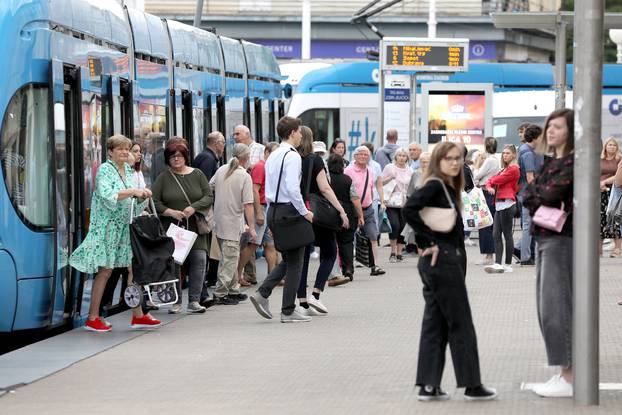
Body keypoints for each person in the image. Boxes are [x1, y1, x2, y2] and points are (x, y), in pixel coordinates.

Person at [402, 141, 497, 402]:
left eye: (458, 158)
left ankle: (428, 385)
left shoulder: (445, 186)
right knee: (460, 322)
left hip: (441, 262)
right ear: (439, 161)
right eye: (449, 158)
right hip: (442, 261)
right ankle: (472, 384)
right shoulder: (435, 184)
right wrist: (429, 241)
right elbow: (410, 209)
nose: (455, 163)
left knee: (435, 322)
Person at [69, 135, 160, 332]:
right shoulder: (104, 170)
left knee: (131, 269)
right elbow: (108, 195)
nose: (125, 152)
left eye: (126, 149)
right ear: (110, 151)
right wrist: (133, 191)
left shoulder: (127, 170)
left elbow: (131, 206)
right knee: (105, 271)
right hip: (106, 228)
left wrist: (143, 196)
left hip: (123, 228)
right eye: (120, 149)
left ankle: (138, 315)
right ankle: (93, 317)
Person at [523, 108, 574, 398]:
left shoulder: (572, 162)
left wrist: (537, 194)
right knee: (546, 309)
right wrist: (537, 194)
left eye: (557, 127)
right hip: (544, 236)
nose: (550, 131)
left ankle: (569, 376)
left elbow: (545, 195)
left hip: (561, 238)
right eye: (548, 126)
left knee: (556, 308)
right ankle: (563, 372)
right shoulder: (551, 163)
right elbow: (529, 195)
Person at [250, 116, 314, 323]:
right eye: (299, 131)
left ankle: (263, 293)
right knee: (296, 262)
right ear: (293, 132)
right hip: (290, 211)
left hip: (274, 211)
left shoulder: (274, 154)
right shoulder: (292, 156)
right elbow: (292, 188)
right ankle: (287, 310)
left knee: (288, 259)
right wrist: (305, 212)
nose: (301, 135)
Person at [152, 141, 213, 314]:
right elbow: (154, 201)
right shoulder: (164, 178)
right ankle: (176, 301)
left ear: (185, 157)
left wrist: (194, 207)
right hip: (173, 229)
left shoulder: (198, 174)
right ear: (167, 160)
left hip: (196, 228)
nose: (176, 159)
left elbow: (208, 196)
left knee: (199, 260)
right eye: (172, 157)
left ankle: (194, 301)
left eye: (179, 156)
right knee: (175, 264)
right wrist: (170, 212)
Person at [296, 126, 349, 316]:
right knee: (329, 253)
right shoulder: (315, 160)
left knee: (302, 258)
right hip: (317, 214)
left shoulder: (291, 159)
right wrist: (341, 211)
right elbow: (325, 189)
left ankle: (302, 303)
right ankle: (316, 294)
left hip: (297, 212)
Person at [211, 143, 256, 305]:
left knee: (231, 255)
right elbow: (248, 204)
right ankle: (221, 292)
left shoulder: (221, 169)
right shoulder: (244, 176)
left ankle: (233, 289)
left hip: (219, 220)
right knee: (229, 259)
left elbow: (210, 188)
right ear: (246, 158)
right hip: (233, 222)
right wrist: (251, 227)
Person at [237, 142, 280, 286]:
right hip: (260, 208)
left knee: (270, 244)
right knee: (253, 244)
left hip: (267, 207)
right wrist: (259, 212)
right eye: (273, 152)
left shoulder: (270, 167)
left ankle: (272, 277)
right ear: (266, 152)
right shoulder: (261, 166)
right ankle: (237, 274)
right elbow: (254, 190)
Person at [345, 146, 386, 276]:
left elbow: (371, 189)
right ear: (355, 156)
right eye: (361, 154)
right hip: (352, 210)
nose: (363, 156)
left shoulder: (370, 171)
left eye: (366, 154)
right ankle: (348, 267)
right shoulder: (348, 171)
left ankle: (375, 266)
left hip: (367, 209)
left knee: (373, 236)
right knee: (349, 238)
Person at [484, 145, 520, 274]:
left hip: (507, 204)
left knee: (507, 235)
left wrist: (490, 183)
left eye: (508, 153)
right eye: (504, 153)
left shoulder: (513, 169)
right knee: (496, 234)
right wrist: (489, 185)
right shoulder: (504, 169)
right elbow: (490, 181)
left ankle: (507, 264)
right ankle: (498, 263)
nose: (505, 155)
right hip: (499, 204)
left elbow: (495, 180)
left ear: (514, 155)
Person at [329, 153, 364, 282]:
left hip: (329, 216)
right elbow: (355, 199)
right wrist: (360, 216)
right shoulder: (347, 180)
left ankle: (331, 271)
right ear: (342, 166)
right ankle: (348, 269)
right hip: (347, 215)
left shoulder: (326, 180)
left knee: (330, 242)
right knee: (346, 243)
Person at [515, 124, 543, 266]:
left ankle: (524, 253)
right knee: (528, 225)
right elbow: (530, 177)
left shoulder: (526, 150)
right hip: (529, 194)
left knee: (529, 225)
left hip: (526, 193)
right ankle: (525, 257)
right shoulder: (528, 153)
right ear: (535, 137)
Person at [381, 148, 413, 262]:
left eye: (404, 156)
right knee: (394, 225)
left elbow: (412, 186)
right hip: (392, 202)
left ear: (407, 158)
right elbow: (380, 182)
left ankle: (399, 253)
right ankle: (393, 252)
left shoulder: (410, 170)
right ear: (395, 157)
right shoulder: (389, 167)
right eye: (399, 155)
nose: (401, 158)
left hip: (405, 203)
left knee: (404, 227)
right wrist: (390, 177)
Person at [473, 137, 500, 265]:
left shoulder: (489, 160)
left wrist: (477, 164)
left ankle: (488, 256)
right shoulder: (495, 160)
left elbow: (476, 175)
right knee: (488, 224)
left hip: (485, 192)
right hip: (490, 191)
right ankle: (489, 255)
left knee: (485, 225)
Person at [599, 137, 622, 257]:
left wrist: (605, 181)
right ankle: (599, 250)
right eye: (609, 145)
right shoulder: (600, 160)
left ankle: (617, 248)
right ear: (605, 146)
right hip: (600, 192)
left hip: (614, 191)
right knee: (601, 219)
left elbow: (619, 176)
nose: (612, 147)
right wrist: (599, 184)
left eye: (614, 145)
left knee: (615, 217)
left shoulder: (619, 159)